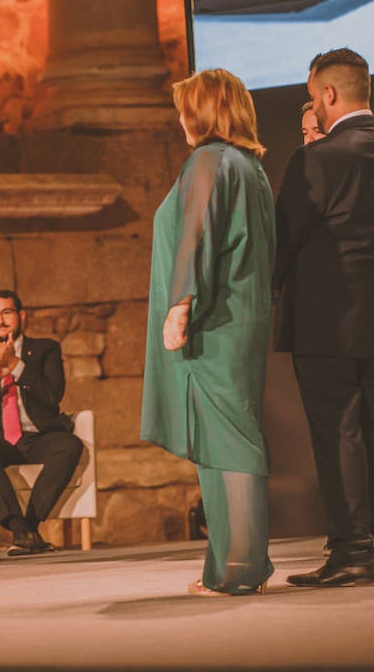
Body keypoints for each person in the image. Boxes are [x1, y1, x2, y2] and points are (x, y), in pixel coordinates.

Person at [275, 48, 374, 587]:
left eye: (312, 97)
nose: (312, 105)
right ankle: (368, 539)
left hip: (325, 323)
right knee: (366, 430)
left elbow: (282, 244)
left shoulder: (317, 159)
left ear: (328, 95)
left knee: (338, 433)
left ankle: (354, 551)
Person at [141, 69, 276, 597]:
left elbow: (196, 234)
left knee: (230, 443)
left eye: (184, 108)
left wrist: (179, 308)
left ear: (201, 111)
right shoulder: (249, 166)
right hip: (239, 319)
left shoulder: (207, 161)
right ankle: (227, 566)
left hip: (213, 323)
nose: (179, 119)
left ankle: (241, 568)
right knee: (228, 438)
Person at [0, 291, 82, 555]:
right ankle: (24, 532)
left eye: (6, 313)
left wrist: (16, 365)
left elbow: (52, 396)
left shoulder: (46, 349)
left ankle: (27, 528)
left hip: (39, 436)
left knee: (70, 445)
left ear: (21, 316)